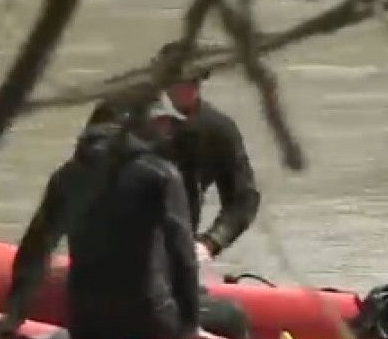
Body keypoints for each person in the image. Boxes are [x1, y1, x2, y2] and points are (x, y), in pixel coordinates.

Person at [0, 91, 247, 339]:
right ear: (137, 125)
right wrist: (191, 326)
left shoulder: (66, 176)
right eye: (161, 123)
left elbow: (35, 249)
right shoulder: (162, 175)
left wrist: (14, 314)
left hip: (85, 327)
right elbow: (182, 254)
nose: (168, 131)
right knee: (232, 315)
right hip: (150, 323)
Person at [89, 40, 261, 266]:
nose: (186, 89)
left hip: (173, 251)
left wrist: (210, 243)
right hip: (110, 245)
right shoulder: (115, 113)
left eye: (193, 81)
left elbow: (243, 198)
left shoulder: (217, 130)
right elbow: (82, 175)